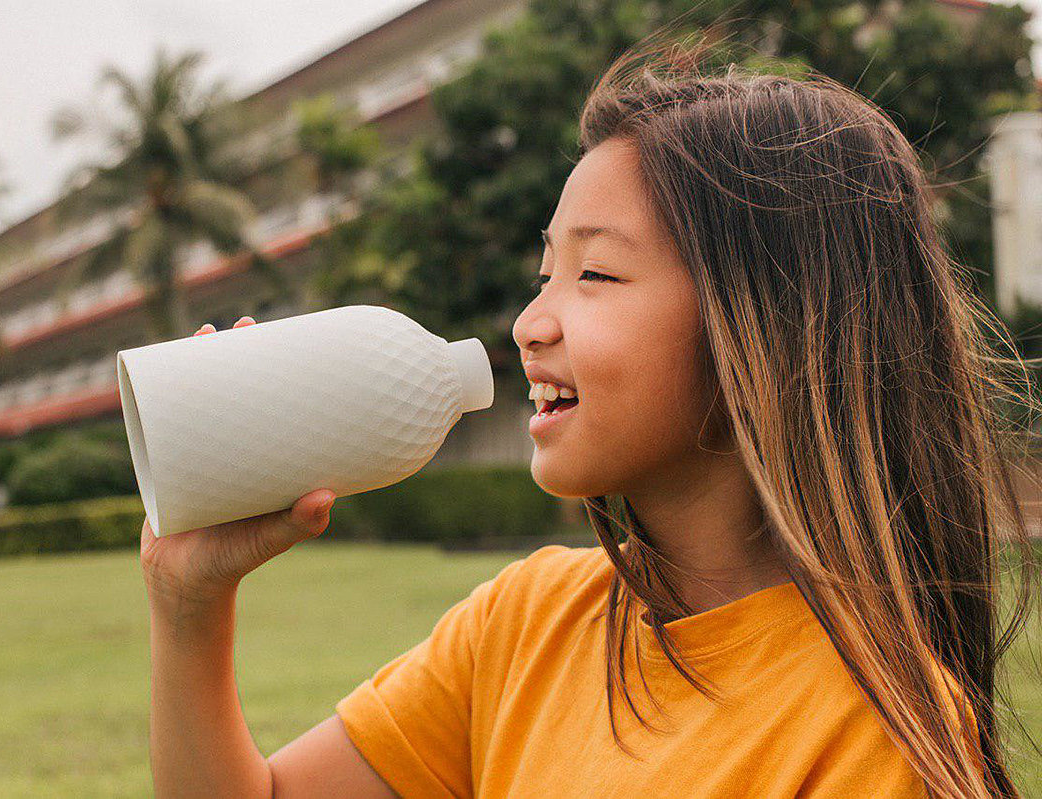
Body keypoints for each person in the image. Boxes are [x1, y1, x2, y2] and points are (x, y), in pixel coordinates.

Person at [141, 41, 1040, 799]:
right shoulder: (523, 624)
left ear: (767, 324)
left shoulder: (872, 737)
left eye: (595, 275)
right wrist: (189, 603)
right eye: (545, 275)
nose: (532, 322)